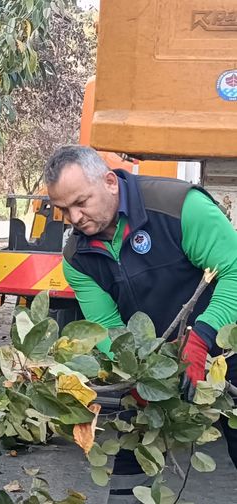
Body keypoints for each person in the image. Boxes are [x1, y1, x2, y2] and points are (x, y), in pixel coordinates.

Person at [44, 145, 237, 503]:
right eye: (63, 209)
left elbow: (235, 271)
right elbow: (106, 327)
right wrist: (136, 378)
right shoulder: (77, 257)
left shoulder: (179, 208)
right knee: (129, 478)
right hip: (154, 363)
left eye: (81, 202)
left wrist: (203, 338)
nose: (74, 217)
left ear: (109, 182)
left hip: (227, 345)